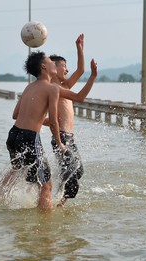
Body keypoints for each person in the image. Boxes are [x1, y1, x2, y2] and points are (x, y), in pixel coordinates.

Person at [4, 51, 97, 210]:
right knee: (46, 184)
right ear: (44, 67)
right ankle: (46, 225)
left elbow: (15, 115)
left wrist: (35, 118)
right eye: (50, 62)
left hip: (13, 135)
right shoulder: (52, 89)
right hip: (29, 138)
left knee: (18, 171)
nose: (53, 63)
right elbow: (54, 122)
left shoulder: (30, 87)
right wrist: (60, 143)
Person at [48, 34, 92, 207]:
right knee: (70, 174)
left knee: (77, 170)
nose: (67, 70)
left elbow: (80, 71)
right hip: (62, 137)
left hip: (69, 137)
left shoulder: (65, 87)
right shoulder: (52, 89)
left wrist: (80, 49)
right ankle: (56, 203)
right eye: (63, 67)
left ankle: (57, 199)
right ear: (52, 69)